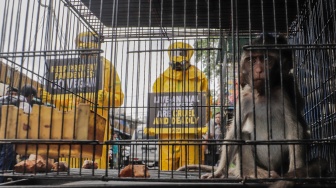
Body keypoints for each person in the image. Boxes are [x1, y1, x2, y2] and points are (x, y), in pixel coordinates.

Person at [40, 31, 124, 169]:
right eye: (83, 52)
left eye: (89, 52)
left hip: (97, 125)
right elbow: (66, 100)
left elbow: (119, 98)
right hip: (72, 124)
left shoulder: (107, 67)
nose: (86, 56)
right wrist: (52, 98)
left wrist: (106, 97)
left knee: (96, 166)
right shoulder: (71, 67)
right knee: (70, 166)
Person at [152, 41, 211, 170]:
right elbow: (156, 106)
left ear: (188, 55)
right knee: (167, 172)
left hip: (190, 135)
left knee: (190, 172)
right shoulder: (162, 79)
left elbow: (207, 105)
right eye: (175, 53)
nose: (178, 57)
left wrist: (201, 121)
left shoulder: (199, 77)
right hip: (168, 135)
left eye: (182, 53)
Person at [0, 85, 37, 183]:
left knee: (8, 157)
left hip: (1, 130)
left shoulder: (4, 98)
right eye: (32, 97)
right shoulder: (25, 104)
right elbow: (27, 123)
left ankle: (12, 176)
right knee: (6, 157)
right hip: (10, 134)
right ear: (30, 95)